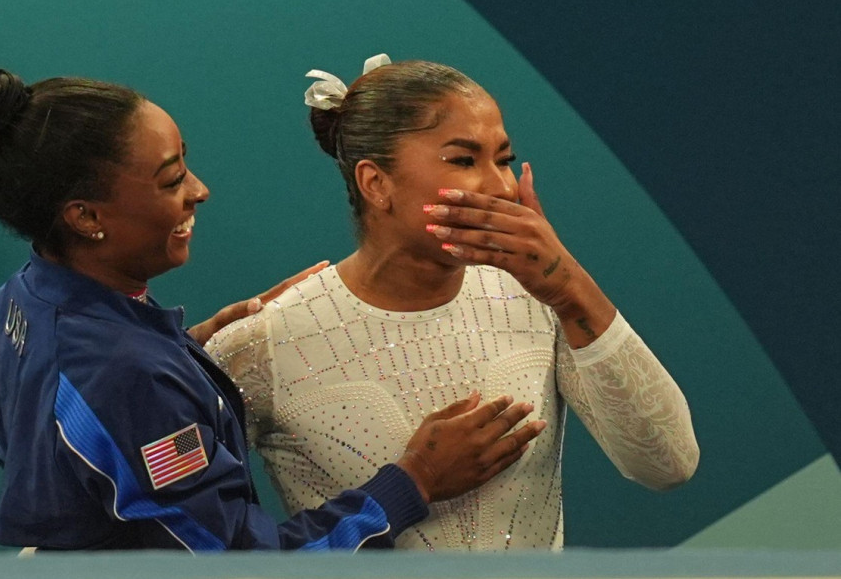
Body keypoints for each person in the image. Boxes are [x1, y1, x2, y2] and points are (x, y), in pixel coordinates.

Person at [0, 49, 545, 551]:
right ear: (87, 217)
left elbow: (61, 431)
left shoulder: (15, 305)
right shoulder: (125, 373)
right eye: (172, 180)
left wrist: (185, 354)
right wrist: (412, 482)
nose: (200, 191)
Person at [206, 55, 700, 551]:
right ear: (376, 183)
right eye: (464, 160)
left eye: (503, 159)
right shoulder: (261, 345)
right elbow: (198, 543)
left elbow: (668, 464)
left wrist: (568, 287)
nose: (501, 186)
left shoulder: (539, 297)